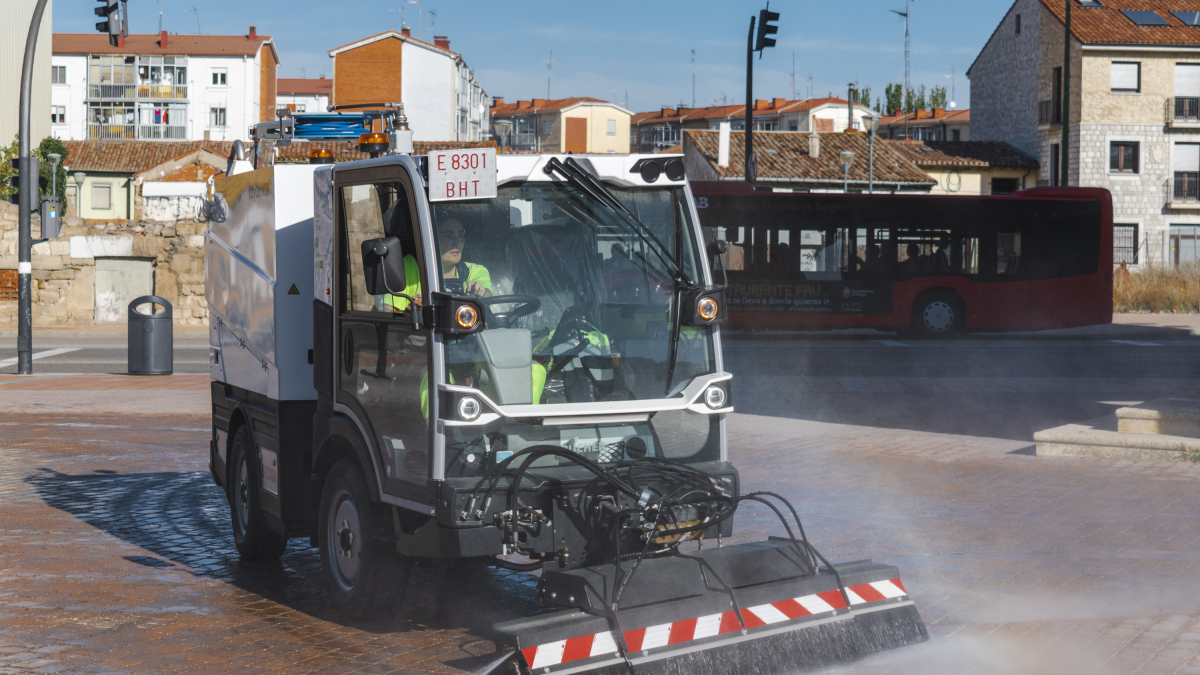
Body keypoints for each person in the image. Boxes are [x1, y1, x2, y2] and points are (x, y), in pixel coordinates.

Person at [384, 217, 493, 313]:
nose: (457, 242)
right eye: (448, 236)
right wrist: (409, 314)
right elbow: (386, 312)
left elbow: (488, 294)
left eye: (460, 235)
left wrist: (480, 293)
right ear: (432, 238)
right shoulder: (408, 267)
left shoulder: (475, 271)